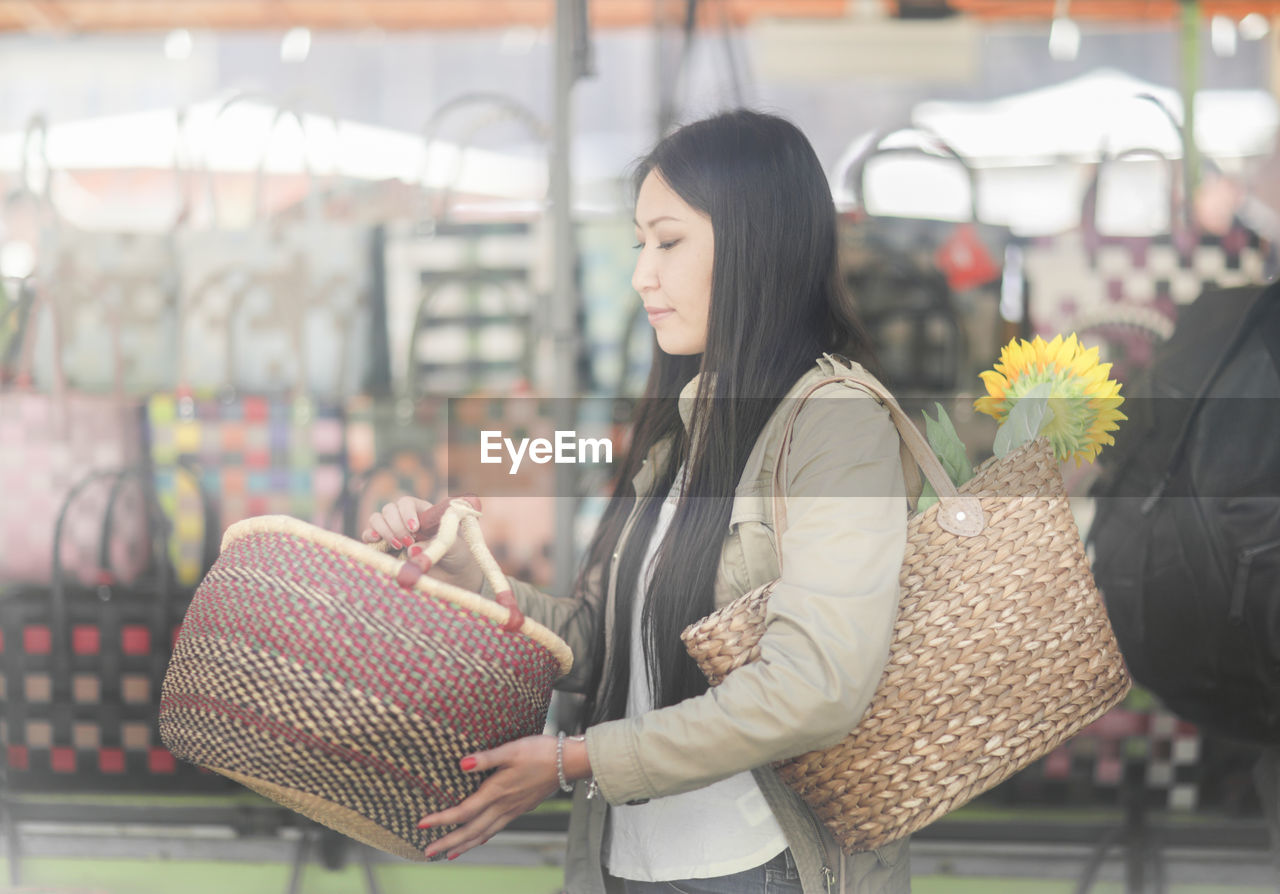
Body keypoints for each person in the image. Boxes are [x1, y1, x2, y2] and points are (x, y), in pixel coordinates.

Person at [363, 109, 913, 894]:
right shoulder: (680, 428)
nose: (641, 274)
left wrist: (574, 760)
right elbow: (604, 644)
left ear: (759, 241)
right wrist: (467, 579)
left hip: (760, 869)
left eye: (669, 241)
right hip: (624, 864)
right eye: (638, 243)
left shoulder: (833, 421)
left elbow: (816, 687)